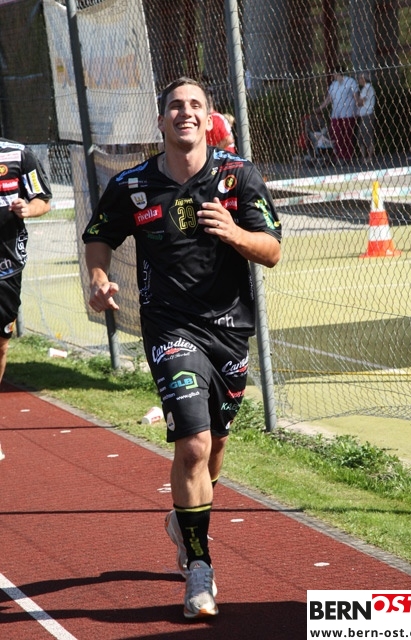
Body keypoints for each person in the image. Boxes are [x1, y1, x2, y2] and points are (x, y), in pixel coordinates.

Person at [82, 76, 281, 619]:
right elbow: (99, 235)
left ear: (209, 118)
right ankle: (198, 566)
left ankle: (183, 518)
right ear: (161, 119)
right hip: (170, 329)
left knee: (215, 445)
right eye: (175, 106)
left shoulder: (239, 177)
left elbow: (271, 250)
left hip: (230, 330)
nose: (185, 113)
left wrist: (234, 233)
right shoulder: (132, 184)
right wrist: (98, 279)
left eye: (195, 105)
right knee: (192, 444)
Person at [0, 137, 52, 386]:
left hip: (6, 267)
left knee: (1, 344)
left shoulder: (19, 154)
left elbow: (43, 200)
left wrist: (28, 209)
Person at [316, 65, 358, 163]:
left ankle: (347, 156)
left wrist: (358, 109)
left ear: (338, 73)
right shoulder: (333, 85)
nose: (333, 75)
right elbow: (329, 99)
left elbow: (355, 96)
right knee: (336, 134)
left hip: (348, 113)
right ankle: (338, 155)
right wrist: (320, 108)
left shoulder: (350, 82)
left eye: (334, 73)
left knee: (347, 135)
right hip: (336, 114)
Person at [354, 72, 376, 163]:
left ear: (363, 79)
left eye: (359, 78)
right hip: (363, 115)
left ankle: (369, 157)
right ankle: (363, 157)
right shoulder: (365, 88)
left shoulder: (368, 88)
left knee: (367, 135)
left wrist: (355, 96)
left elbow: (360, 102)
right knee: (360, 135)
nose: (358, 80)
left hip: (367, 115)